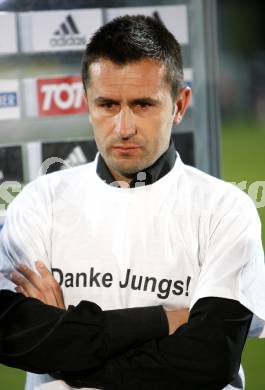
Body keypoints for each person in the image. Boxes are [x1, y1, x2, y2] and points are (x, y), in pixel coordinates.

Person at [0, 14, 265, 390]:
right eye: (107, 105)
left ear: (179, 103)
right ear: (86, 102)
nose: (123, 127)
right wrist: (164, 321)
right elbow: (13, 336)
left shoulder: (225, 209)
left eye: (143, 105)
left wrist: (70, 351)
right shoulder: (38, 203)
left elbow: (208, 358)